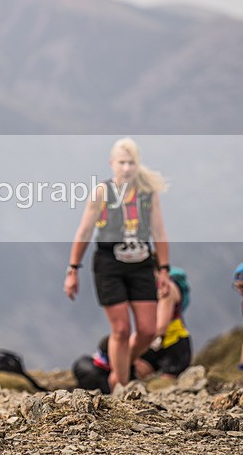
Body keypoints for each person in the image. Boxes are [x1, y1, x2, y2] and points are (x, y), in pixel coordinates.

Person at [64, 137, 171, 390]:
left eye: (131, 163)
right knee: (121, 330)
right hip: (109, 265)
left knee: (148, 330)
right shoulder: (102, 192)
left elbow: (159, 232)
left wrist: (164, 269)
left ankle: (121, 364)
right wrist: (73, 269)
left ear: (137, 164)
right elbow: (84, 231)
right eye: (122, 162)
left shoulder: (147, 194)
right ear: (112, 163)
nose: (126, 168)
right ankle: (120, 384)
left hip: (142, 264)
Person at [133, 266, 192, 379]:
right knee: (137, 368)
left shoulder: (167, 288)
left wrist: (137, 344)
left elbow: (161, 327)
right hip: (158, 342)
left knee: (168, 386)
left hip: (174, 342)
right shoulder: (152, 288)